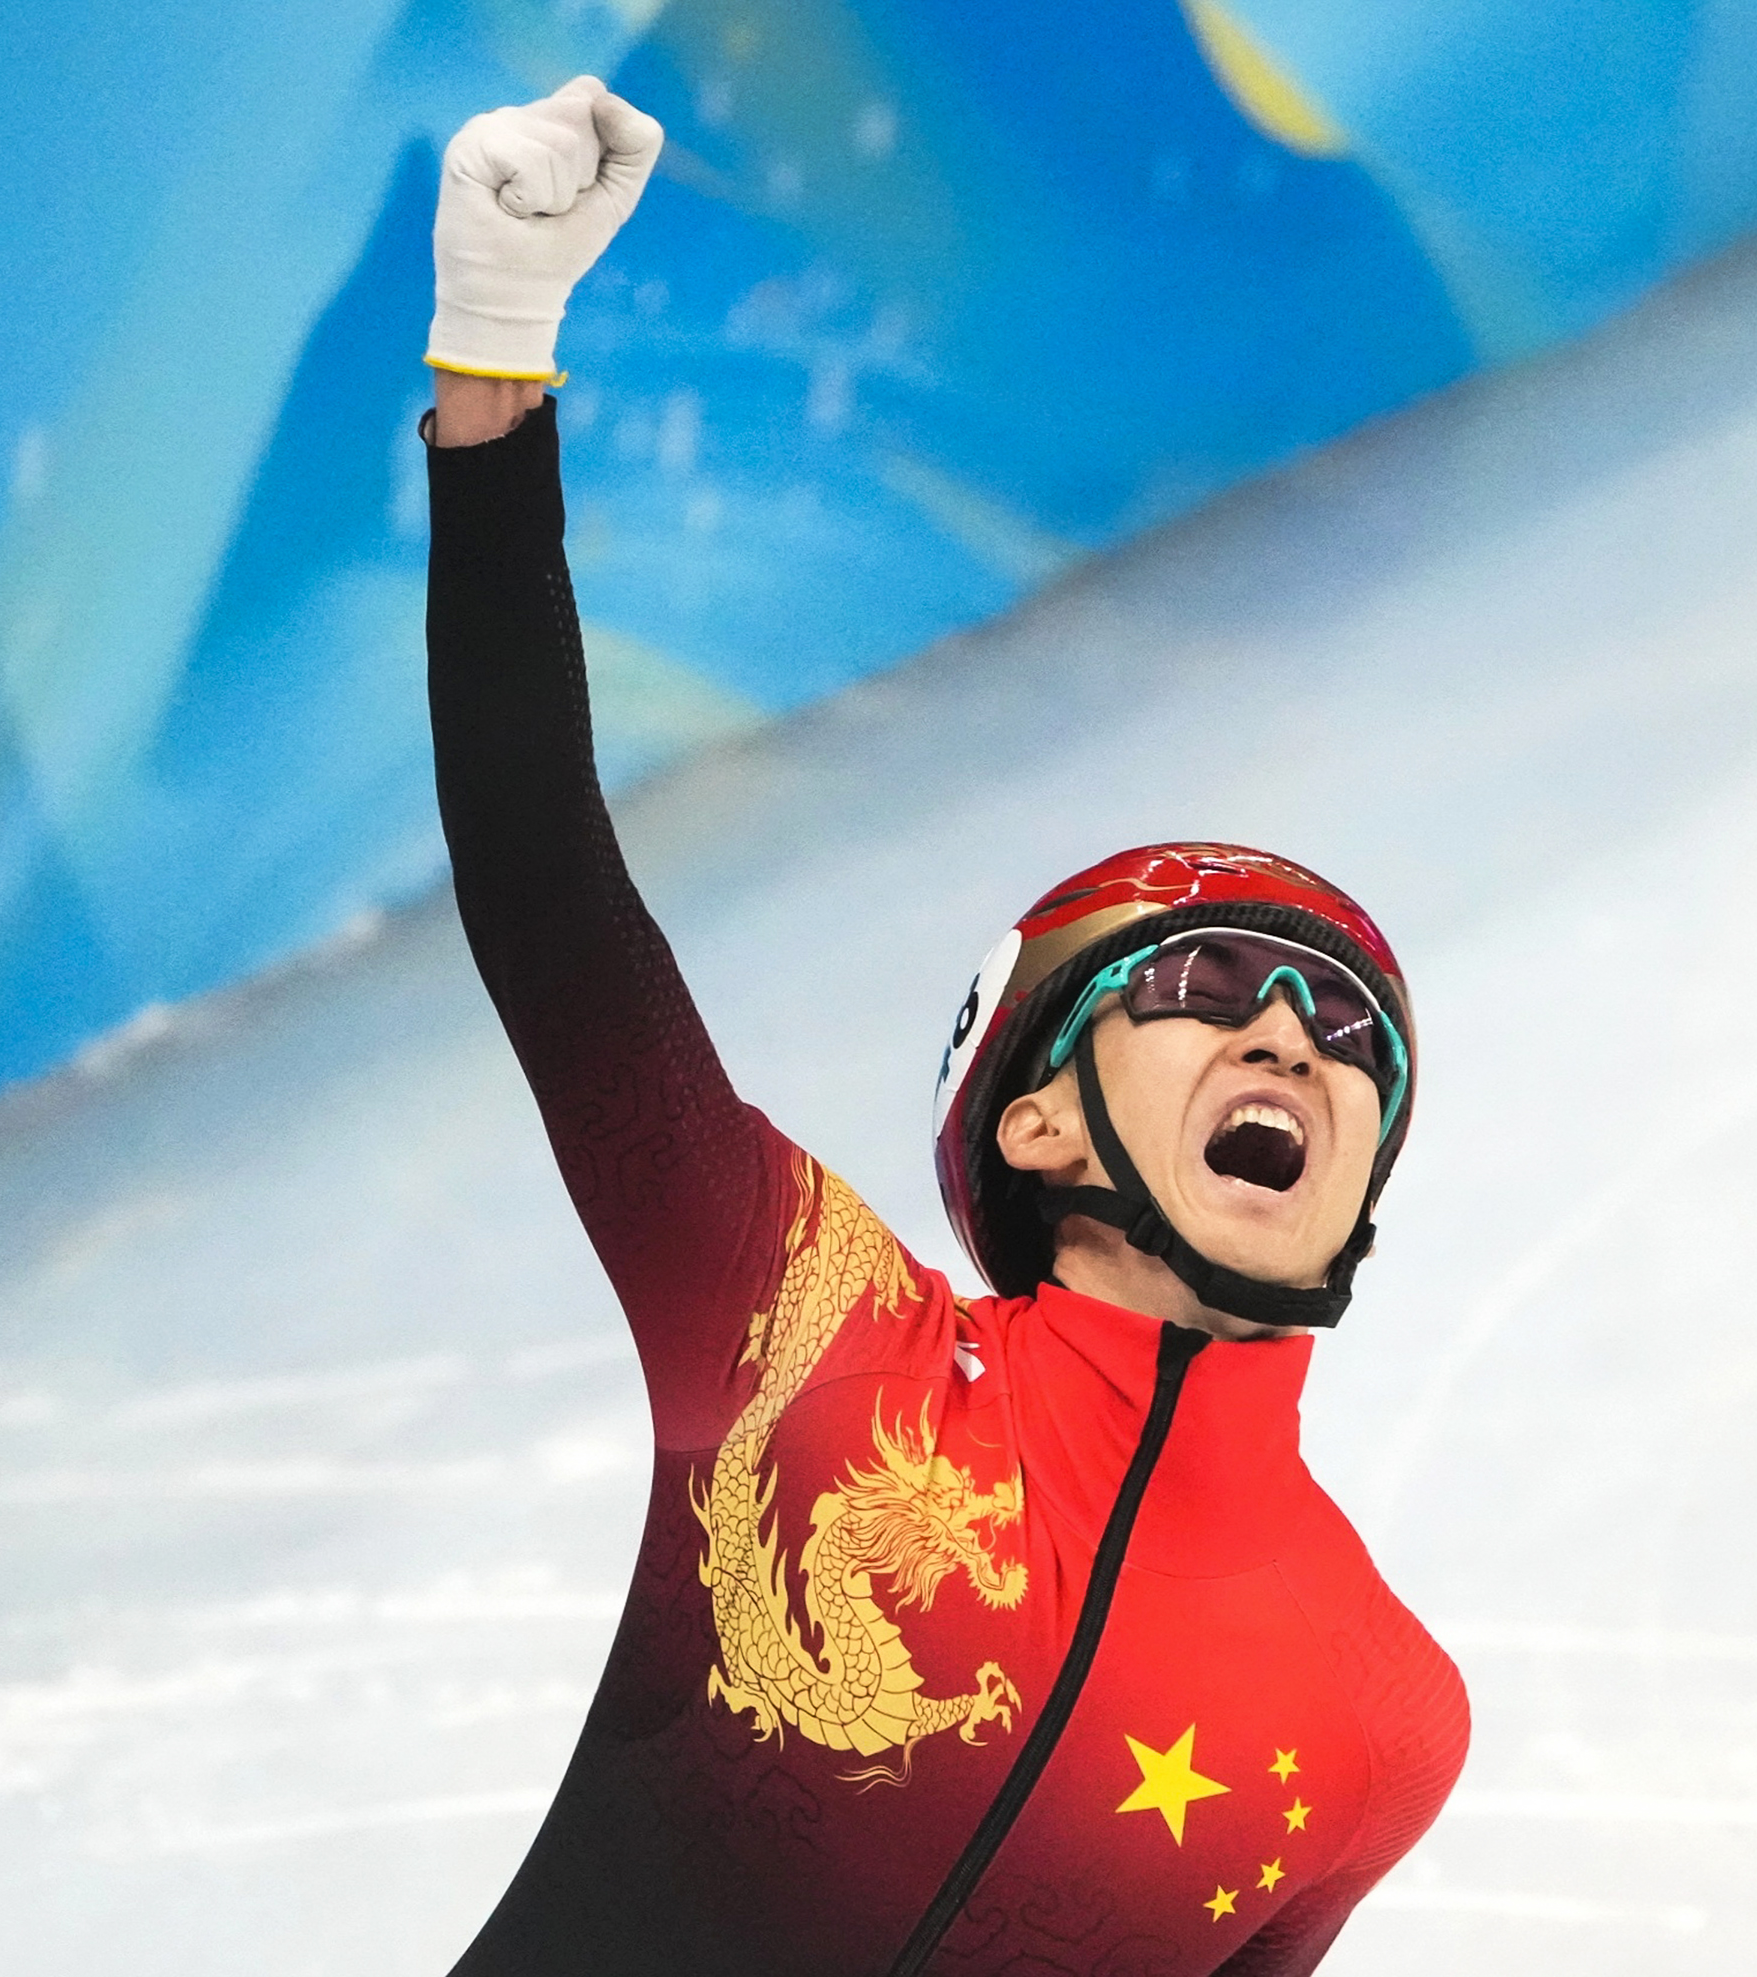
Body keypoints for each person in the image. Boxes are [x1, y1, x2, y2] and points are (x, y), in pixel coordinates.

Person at [421, 79, 1468, 1977]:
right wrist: (494, 375)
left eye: (1348, 1038)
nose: (1298, 1042)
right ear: (1042, 1124)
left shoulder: (1382, 1717)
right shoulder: (805, 1337)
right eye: (1208, 988)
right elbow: (547, 897)